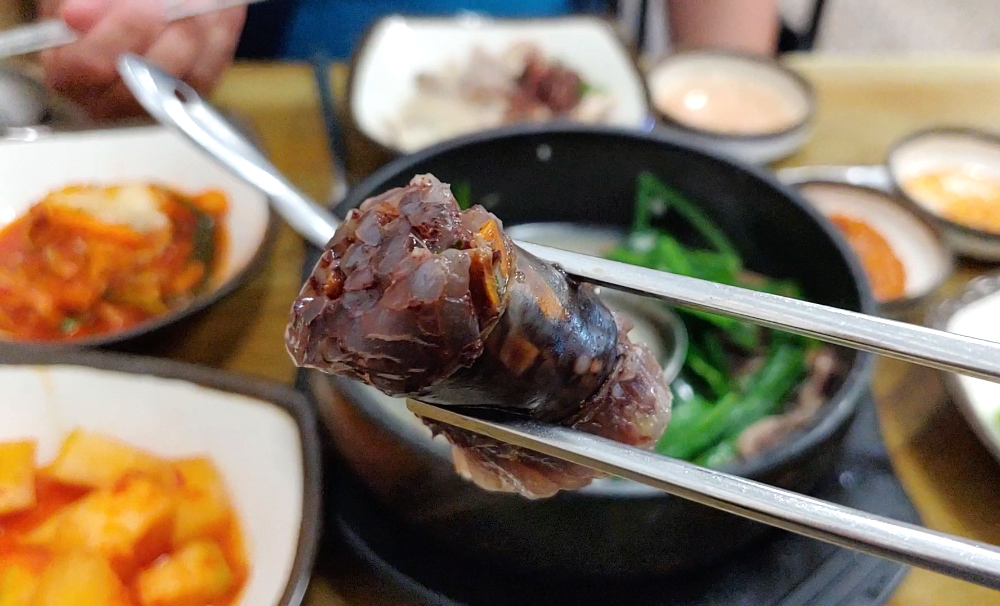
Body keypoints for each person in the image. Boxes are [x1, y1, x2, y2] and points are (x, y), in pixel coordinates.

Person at [35, 0, 779, 122]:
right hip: (269, 108)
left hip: (576, 90)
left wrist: (733, 98)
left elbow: (730, 43)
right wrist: (113, 27)